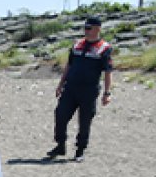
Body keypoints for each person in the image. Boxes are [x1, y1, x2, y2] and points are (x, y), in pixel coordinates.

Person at [47, 15, 113, 162]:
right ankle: (60, 145)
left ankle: (80, 150)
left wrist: (107, 93)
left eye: (89, 28)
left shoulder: (104, 48)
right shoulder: (77, 45)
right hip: (70, 88)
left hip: (89, 91)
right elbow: (69, 66)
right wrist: (60, 84)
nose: (86, 31)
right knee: (60, 115)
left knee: (85, 121)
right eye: (85, 28)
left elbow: (108, 71)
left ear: (98, 29)